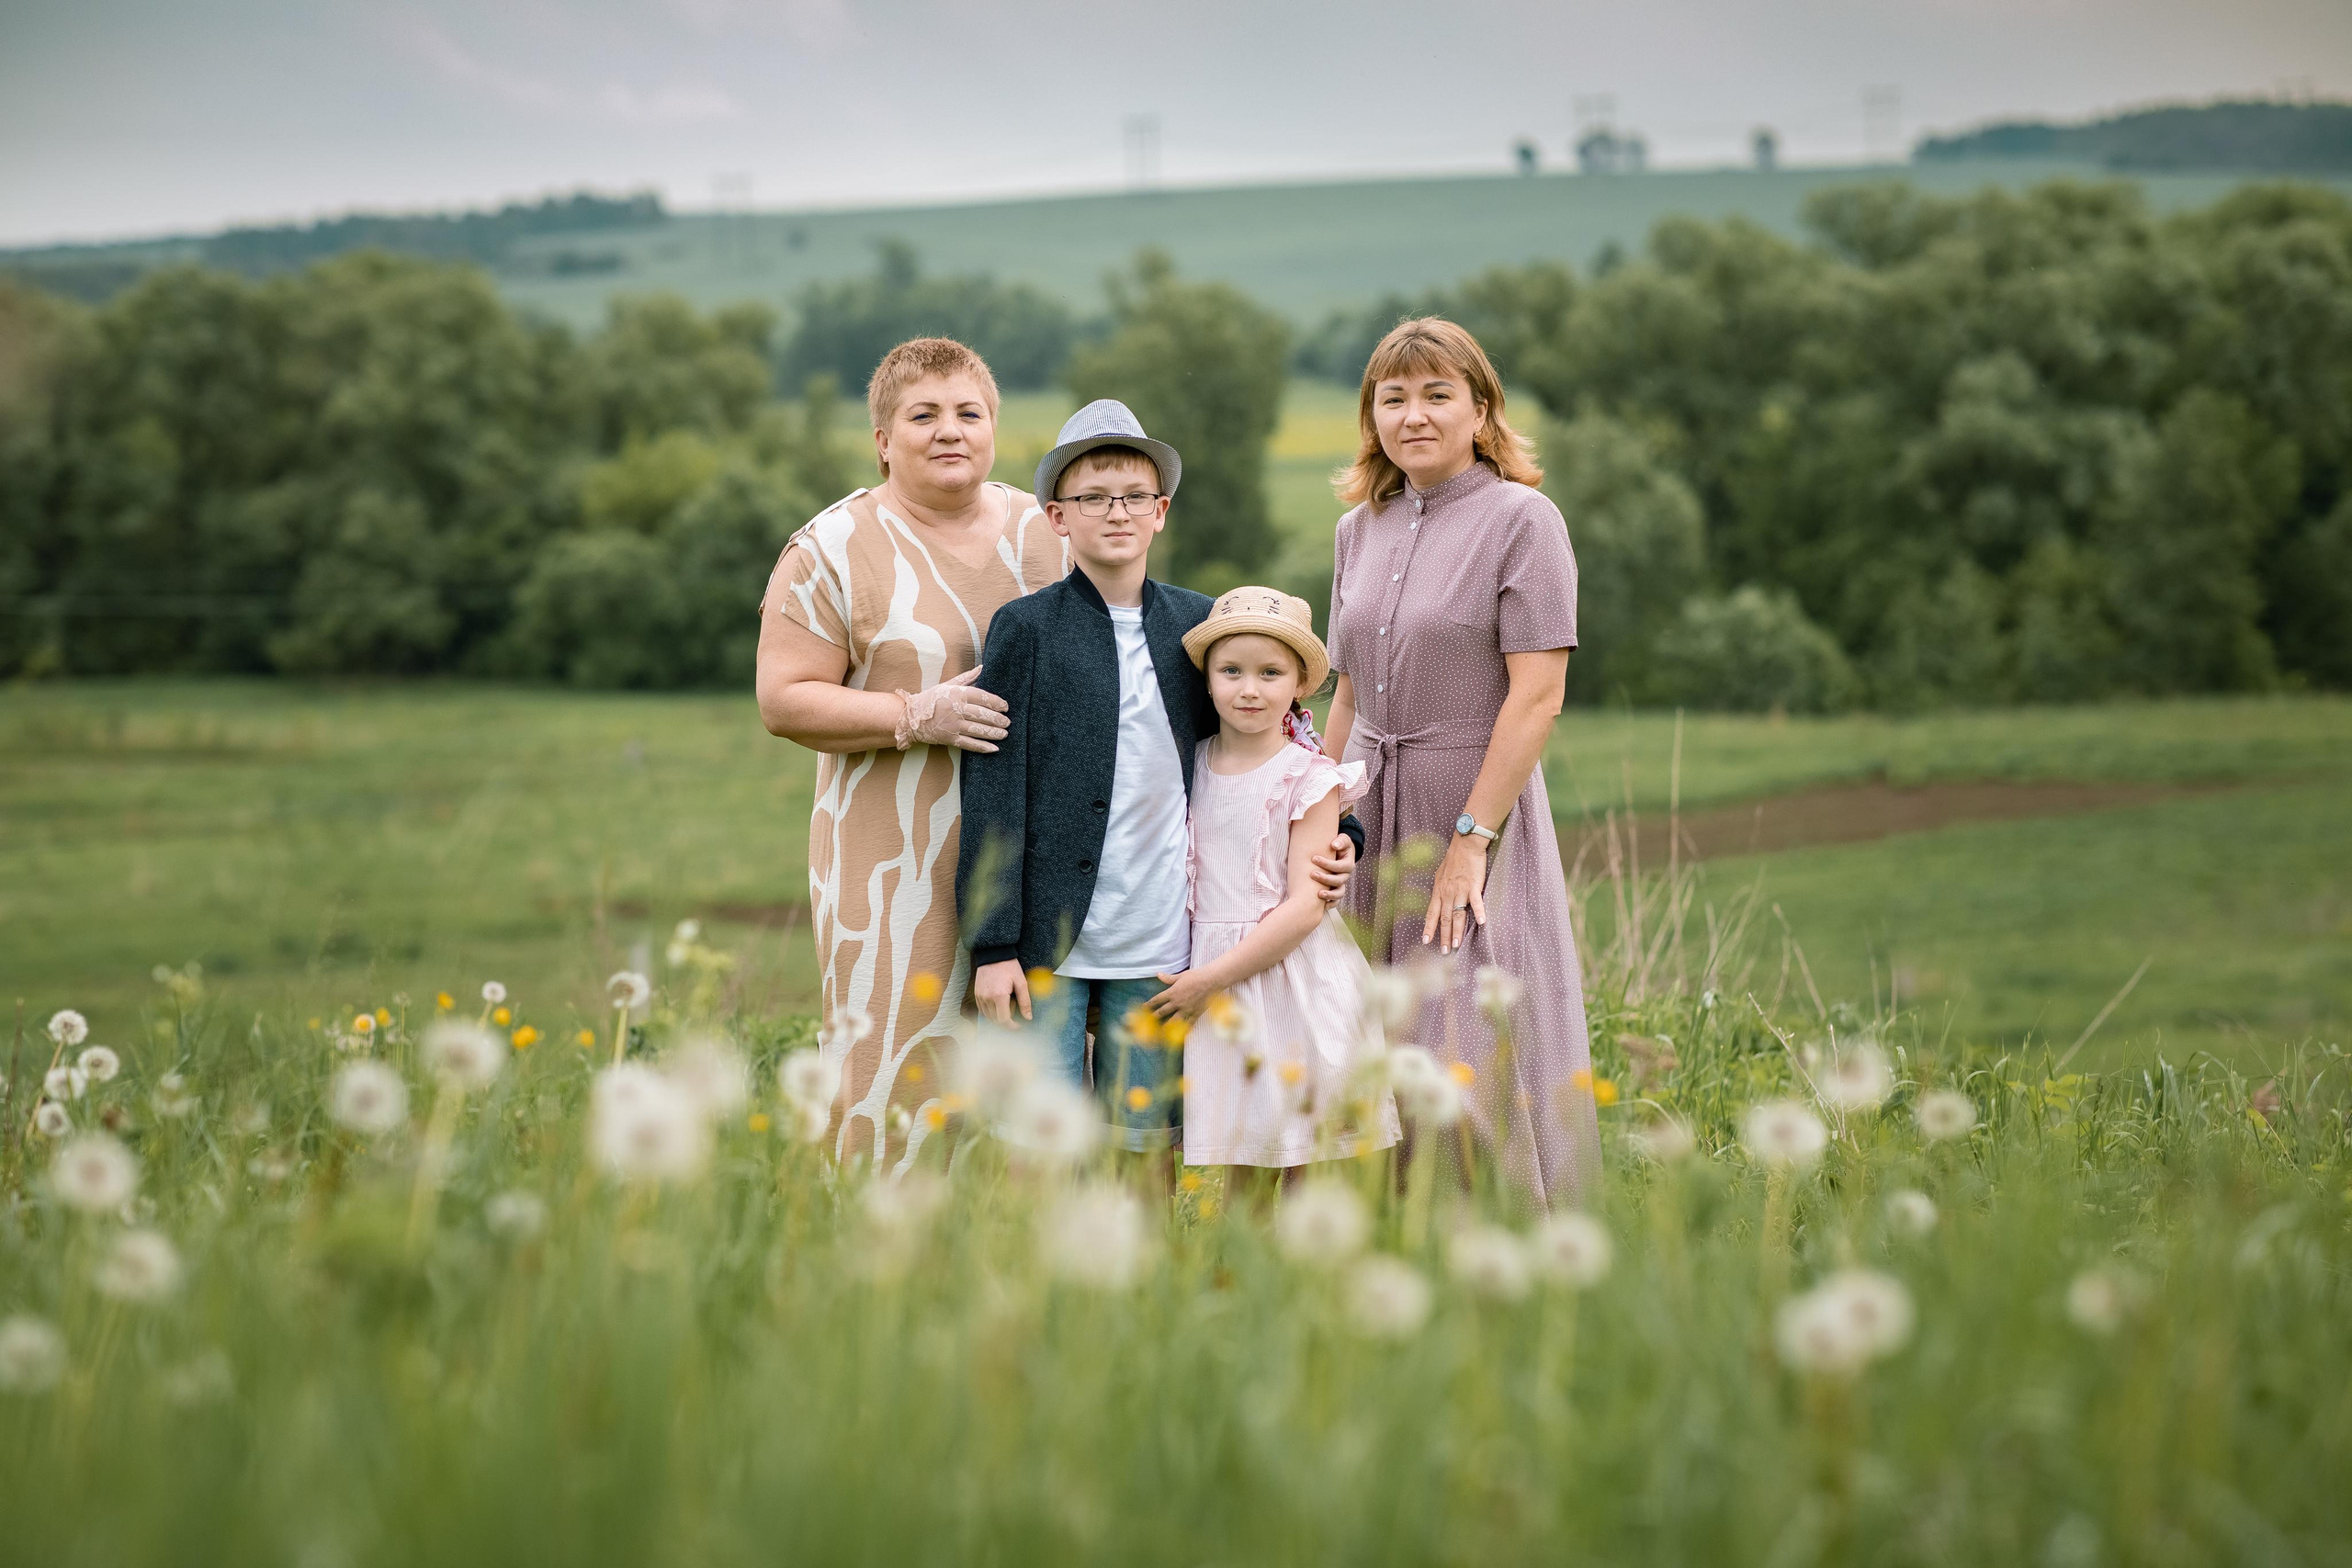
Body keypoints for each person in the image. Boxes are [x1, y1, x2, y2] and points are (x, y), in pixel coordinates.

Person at [956, 401, 1362, 1172]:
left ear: (1161, 512)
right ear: (1057, 517)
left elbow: (1279, 741)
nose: (1117, 512)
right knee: (1039, 1148)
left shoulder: (1198, 626)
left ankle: (1137, 1286)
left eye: (1135, 496)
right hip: (1047, 939)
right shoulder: (1027, 628)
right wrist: (994, 942)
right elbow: (995, 782)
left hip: (1160, 937)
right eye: (1093, 497)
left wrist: (1342, 831)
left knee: (1143, 1147)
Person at [756, 338, 1064, 1169]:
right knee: (897, 1065)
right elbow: (783, 699)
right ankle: (877, 1259)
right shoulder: (828, 548)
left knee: (1040, 1074)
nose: (948, 430)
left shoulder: (1048, 533)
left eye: (968, 412)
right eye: (922, 415)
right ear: (884, 439)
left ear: (995, 425)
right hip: (890, 863)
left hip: (1041, 850)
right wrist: (912, 712)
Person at [1321, 317, 1600, 1207]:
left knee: (1467, 1046)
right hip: (1367, 816)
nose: (1413, 415)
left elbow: (1536, 698)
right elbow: (1347, 691)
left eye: (1437, 394)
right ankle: (1395, 1245)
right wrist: (1310, 813)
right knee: (1372, 1040)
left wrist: (1471, 839)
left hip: (1470, 805)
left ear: (1480, 411)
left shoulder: (1525, 522)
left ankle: (1518, 1232)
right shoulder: (1353, 531)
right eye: (1392, 397)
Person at [1150, 588, 1401, 1179]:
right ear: (1207, 679)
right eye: (1230, 671)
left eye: (1270, 673)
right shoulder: (1190, 762)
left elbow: (1305, 908)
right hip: (1211, 976)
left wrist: (1205, 982)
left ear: (1299, 685)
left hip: (1289, 978)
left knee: (1301, 1157)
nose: (1249, 689)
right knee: (1235, 1164)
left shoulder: (1309, 776)